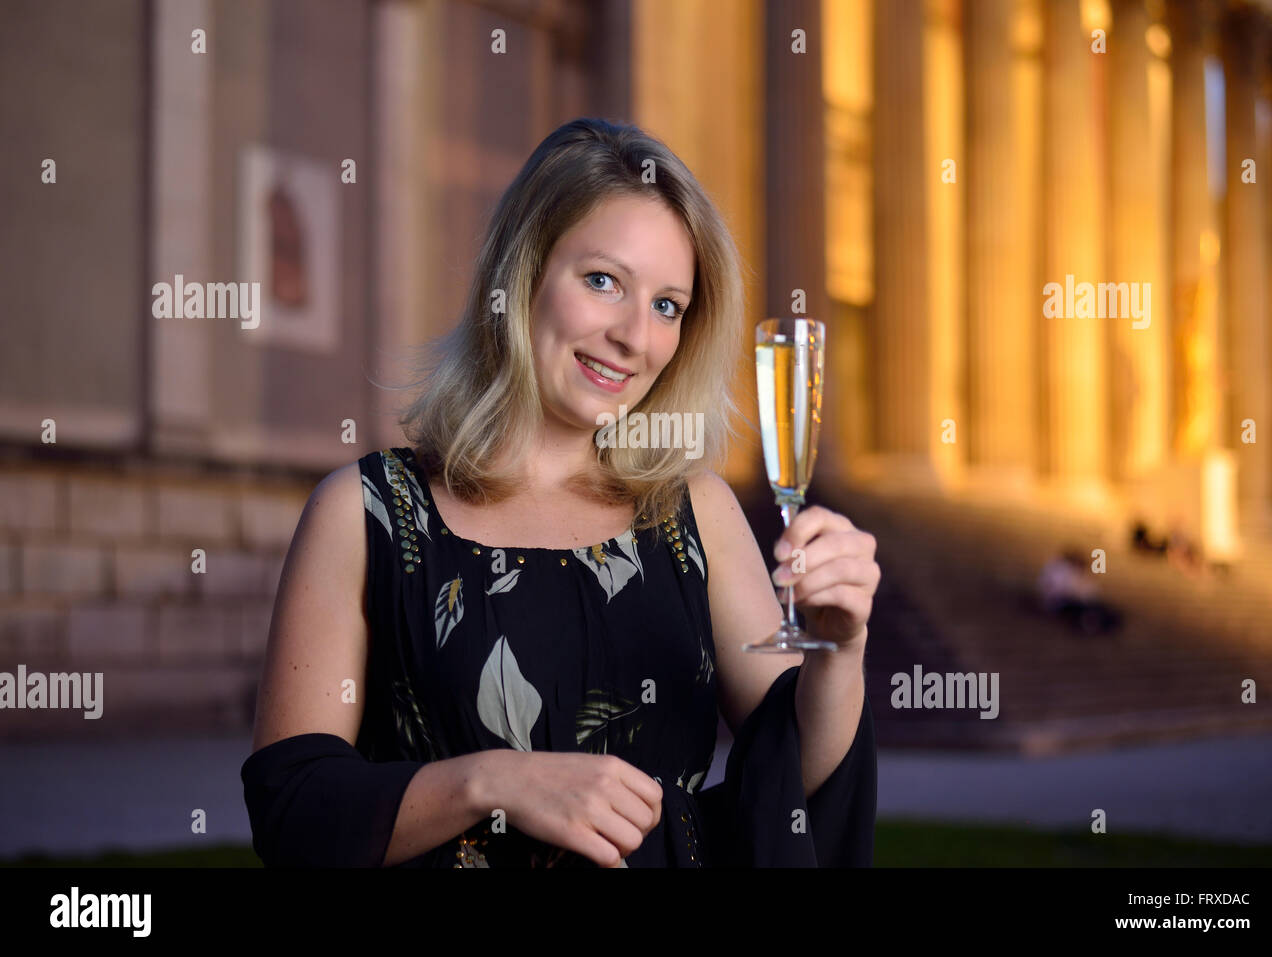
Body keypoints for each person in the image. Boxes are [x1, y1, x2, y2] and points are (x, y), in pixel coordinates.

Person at [240, 117, 881, 868]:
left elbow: (791, 787)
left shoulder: (691, 514)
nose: (634, 337)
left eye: (667, 305)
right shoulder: (366, 511)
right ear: (522, 277)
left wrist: (841, 650)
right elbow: (296, 814)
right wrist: (495, 780)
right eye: (604, 281)